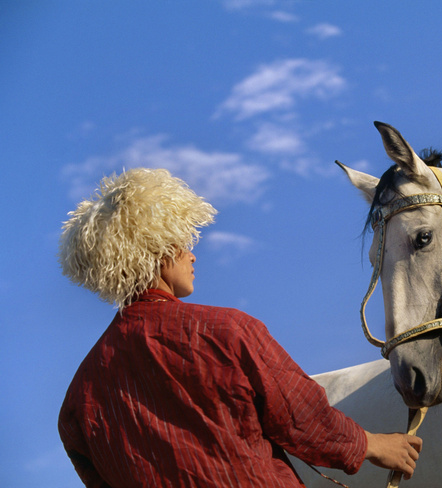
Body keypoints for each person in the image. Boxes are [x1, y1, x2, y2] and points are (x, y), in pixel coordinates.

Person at [57, 168, 422, 487]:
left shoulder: (77, 403)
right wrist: (373, 445)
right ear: (158, 251)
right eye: (183, 244)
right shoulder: (225, 331)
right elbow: (300, 417)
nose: (192, 254)